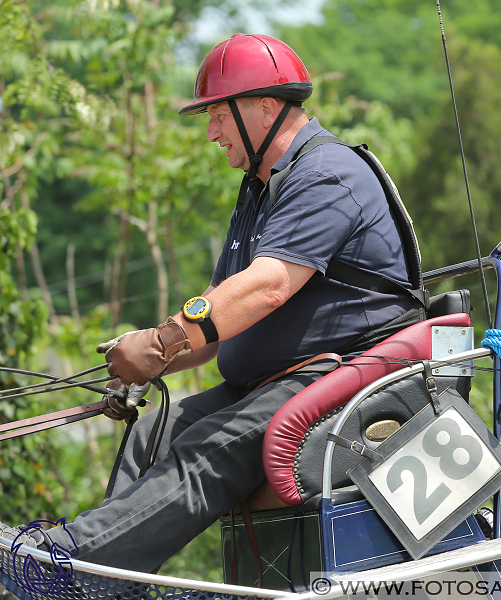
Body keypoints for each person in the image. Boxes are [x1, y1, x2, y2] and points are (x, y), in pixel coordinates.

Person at [1, 33, 420, 573]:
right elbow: (221, 311)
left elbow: (267, 286)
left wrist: (161, 341)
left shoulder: (327, 173)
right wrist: (149, 356)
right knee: (154, 432)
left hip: (346, 373)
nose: (210, 132)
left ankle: (67, 562)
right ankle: (110, 580)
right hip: (286, 378)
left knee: (208, 446)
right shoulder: (259, 190)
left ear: (266, 107)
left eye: (218, 114)